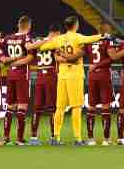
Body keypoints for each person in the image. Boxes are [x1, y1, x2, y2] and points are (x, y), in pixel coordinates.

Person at [33, 15, 104, 146]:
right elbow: (91, 38)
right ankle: (77, 138)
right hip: (75, 75)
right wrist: (103, 36)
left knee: (60, 108)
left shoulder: (59, 38)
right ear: (76, 25)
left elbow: (42, 48)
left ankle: (56, 137)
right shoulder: (77, 37)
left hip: (62, 75)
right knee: (76, 107)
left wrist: (50, 43)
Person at [84, 23, 119, 146]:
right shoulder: (108, 41)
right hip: (104, 75)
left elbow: (84, 54)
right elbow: (113, 57)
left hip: (92, 76)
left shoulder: (89, 41)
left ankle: (90, 139)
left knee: (91, 107)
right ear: (107, 30)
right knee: (105, 107)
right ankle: (106, 139)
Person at [1, 16, 33, 145]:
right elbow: (30, 57)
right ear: (29, 26)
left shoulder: (8, 38)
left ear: (18, 25)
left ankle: (6, 137)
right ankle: (20, 139)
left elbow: (2, 58)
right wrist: (18, 61)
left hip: (11, 74)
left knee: (10, 106)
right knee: (22, 106)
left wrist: (11, 63)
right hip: (22, 74)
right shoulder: (27, 38)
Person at [27, 25, 61, 145]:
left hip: (40, 75)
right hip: (51, 75)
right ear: (57, 32)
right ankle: (54, 138)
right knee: (53, 108)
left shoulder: (39, 41)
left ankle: (33, 137)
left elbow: (29, 47)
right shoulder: (56, 41)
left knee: (37, 108)